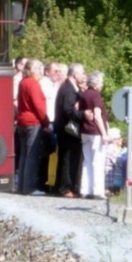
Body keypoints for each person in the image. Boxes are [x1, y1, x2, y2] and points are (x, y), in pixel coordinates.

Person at [14, 59, 50, 194]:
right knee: (32, 155)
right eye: (40, 69)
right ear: (34, 70)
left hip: (22, 121)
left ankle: (21, 187)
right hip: (32, 122)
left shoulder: (22, 82)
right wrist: (45, 122)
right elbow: (38, 105)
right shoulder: (33, 83)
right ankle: (29, 188)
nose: (41, 72)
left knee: (24, 155)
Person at [54, 64, 86, 197]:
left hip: (67, 129)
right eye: (82, 73)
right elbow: (68, 110)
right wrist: (83, 114)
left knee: (69, 158)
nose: (84, 76)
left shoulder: (72, 88)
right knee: (67, 158)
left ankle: (68, 185)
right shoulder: (68, 89)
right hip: (67, 130)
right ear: (75, 74)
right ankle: (65, 187)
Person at [78, 72, 109, 198]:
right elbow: (97, 115)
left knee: (87, 161)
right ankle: (98, 191)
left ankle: (85, 189)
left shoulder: (84, 94)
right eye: (101, 82)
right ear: (96, 83)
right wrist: (104, 134)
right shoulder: (96, 95)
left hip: (85, 131)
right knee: (98, 161)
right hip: (95, 132)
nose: (102, 84)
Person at [39, 63, 62, 190]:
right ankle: (43, 182)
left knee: (52, 152)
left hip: (53, 120)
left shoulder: (53, 84)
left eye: (59, 71)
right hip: (48, 121)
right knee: (46, 153)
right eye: (55, 71)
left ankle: (49, 181)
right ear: (47, 72)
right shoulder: (44, 84)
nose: (57, 74)